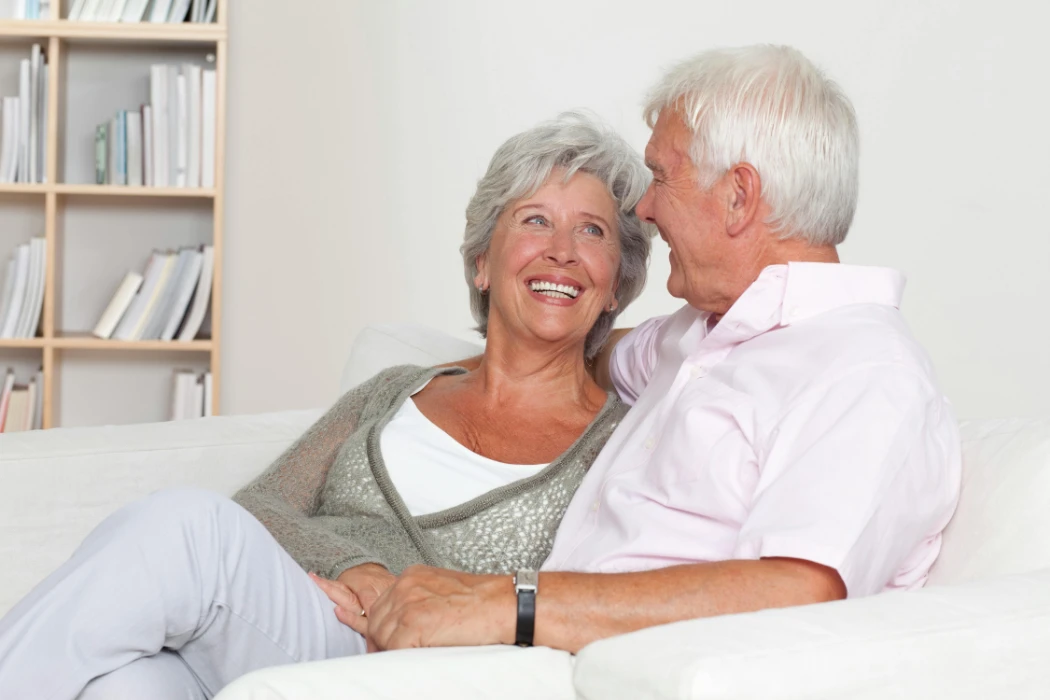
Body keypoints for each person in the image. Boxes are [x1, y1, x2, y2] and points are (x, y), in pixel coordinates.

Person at [0, 112, 654, 699]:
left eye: (591, 230)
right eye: (536, 219)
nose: (562, 250)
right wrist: (354, 567)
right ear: (483, 262)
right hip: (296, 625)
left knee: (186, 528)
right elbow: (261, 506)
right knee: (127, 683)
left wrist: (400, 596)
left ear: (616, 286)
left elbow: (587, 601)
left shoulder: (619, 441)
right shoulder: (396, 388)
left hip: (410, 668)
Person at [344, 45, 963, 655]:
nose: (644, 207)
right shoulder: (702, 335)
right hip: (522, 656)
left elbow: (798, 590)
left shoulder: (865, 373)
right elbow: (589, 348)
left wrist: (510, 603)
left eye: (661, 176)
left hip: (606, 669)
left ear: (738, 196)